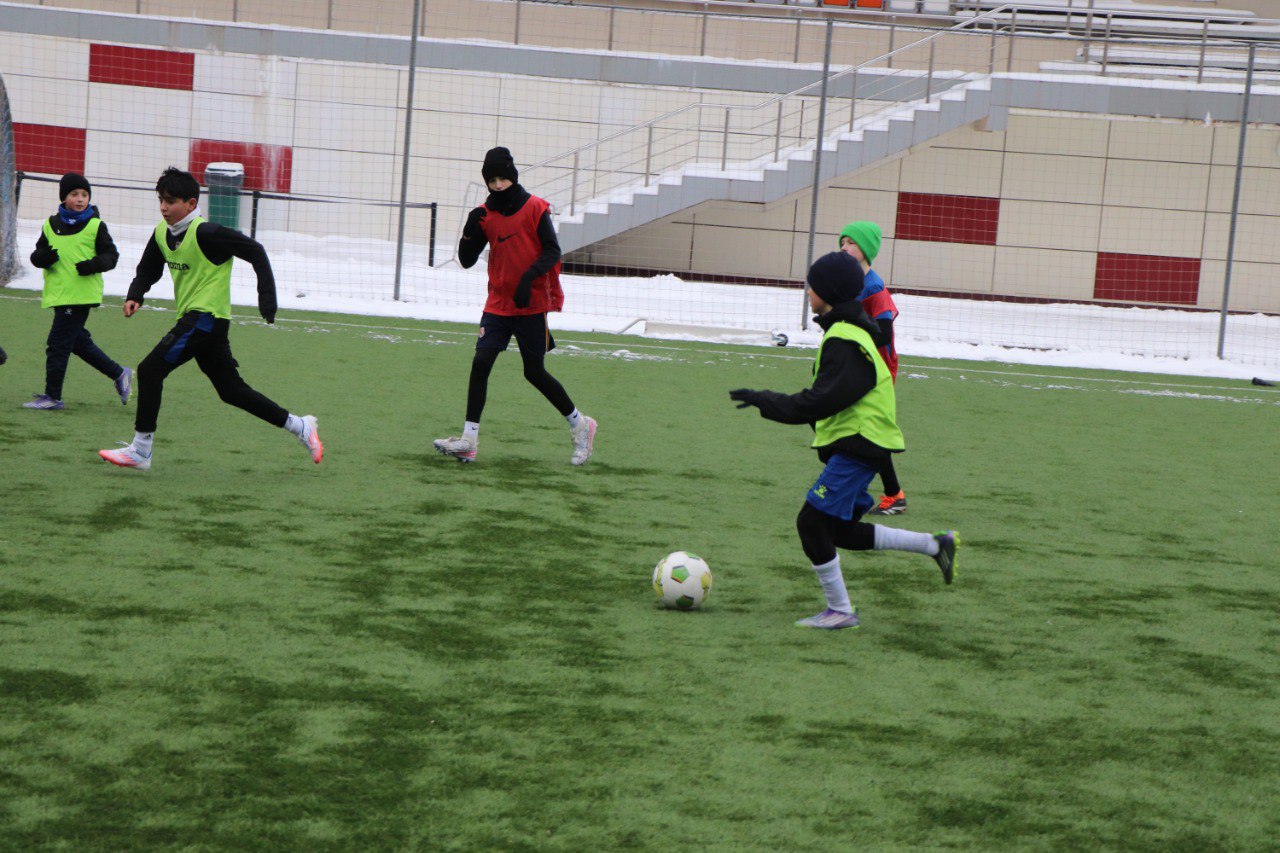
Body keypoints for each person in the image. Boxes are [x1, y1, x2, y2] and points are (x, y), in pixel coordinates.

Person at [729, 251, 958, 630]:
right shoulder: (845, 332)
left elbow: (820, 401)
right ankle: (935, 545)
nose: (807, 291)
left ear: (829, 292)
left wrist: (764, 400)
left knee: (811, 523)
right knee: (839, 531)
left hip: (859, 445)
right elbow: (826, 400)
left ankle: (840, 611)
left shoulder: (845, 339)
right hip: (860, 444)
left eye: (812, 284)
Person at [97, 167, 322, 471]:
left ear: (191, 204)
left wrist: (267, 300)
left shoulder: (208, 233)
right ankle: (300, 426)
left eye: (171, 201)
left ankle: (141, 451)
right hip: (203, 324)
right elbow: (148, 268)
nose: (164, 207)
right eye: (161, 200)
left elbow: (256, 251)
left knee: (150, 370)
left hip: (206, 318)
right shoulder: (162, 234)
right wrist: (135, 293)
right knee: (231, 391)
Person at [434, 146, 596, 466]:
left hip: (531, 304)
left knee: (534, 372)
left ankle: (580, 424)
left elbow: (552, 251)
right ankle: (468, 441)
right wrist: (470, 228)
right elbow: (466, 261)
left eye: (502, 178)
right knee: (481, 362)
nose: (497, 185)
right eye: (491, 179)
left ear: (512, 175)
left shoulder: (535, 207)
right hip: (497, 304)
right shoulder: (486, 214)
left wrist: (527, 279)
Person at [24, 173, 131, 411]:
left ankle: (53, 397)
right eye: (74, 194)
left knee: (57, 344)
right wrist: (42, 258)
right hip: (59, 294)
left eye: (84, 195)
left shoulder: (95, 225)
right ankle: (119, 373)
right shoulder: (50, 224)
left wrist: (93, 264)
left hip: (81, 295)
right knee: (77, 342)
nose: (80, 199)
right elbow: (36, 255)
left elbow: (111, 257)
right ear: (64, 197)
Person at [839, 220, 907, 516]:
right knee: (845, 423)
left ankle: (893, 494)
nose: (844, 247)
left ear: (865, 250)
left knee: (868, 430)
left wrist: (851, 319)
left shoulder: (874, 288)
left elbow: (883, 335)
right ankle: (867, 489)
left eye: (851, 243)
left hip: (877, 368)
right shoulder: (847, 281)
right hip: (857, 363)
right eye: (842, 242)